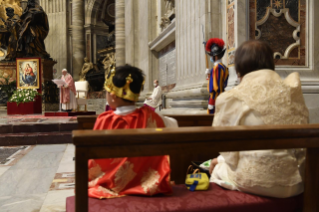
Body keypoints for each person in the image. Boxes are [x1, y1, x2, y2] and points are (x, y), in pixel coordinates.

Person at [208, 40, 309, 198]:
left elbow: (227, 150)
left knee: (215, 171)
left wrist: (218, 161)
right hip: (297, 183)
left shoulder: (231, 98)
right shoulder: (292, 90)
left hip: (257, 182)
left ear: (239, 68)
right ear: (271, 63)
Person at [88, 64, 178, 199]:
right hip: (148, 184)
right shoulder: (151, 117)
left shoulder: (104, 120)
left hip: (110, 185)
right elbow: (174, 125)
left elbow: (93, 156)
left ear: (113, 96)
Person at [205, 38, 229, 114]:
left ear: (214, 56)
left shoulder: (217, 68)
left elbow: (215, 87)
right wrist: (209, 74)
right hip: (221, 96)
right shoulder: (223, 67)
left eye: (211, 56)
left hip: (216, 99)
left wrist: (211, 102)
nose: (211, 58)